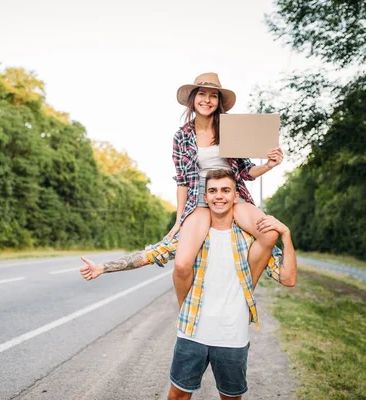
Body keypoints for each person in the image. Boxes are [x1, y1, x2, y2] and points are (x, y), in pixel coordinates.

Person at [80, 169, 297, 400]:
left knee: (231, 398)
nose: (219, 196)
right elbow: (150, 255)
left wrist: (286, 234)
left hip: (232, 336)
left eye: (225, 190)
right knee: (177, 396)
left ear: (236, 196)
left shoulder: (250, 239)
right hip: (192, 331)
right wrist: (103, 267)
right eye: (212, 191)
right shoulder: (192, 237)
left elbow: (288, 278)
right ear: (205, 197)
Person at [167, 72, 284, 309]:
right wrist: (180, 220)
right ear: (193, 98)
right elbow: (181, 181)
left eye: (213, 96)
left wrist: (269, 165)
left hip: (233, 195)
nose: (207, 100)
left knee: (270, 233)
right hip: (199, 199)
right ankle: (184, 311)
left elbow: (246, 171)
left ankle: (241, 296)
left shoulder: (230, 130)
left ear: (219, 102)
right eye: (202, 94)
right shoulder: (182, 136)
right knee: (181, 265)